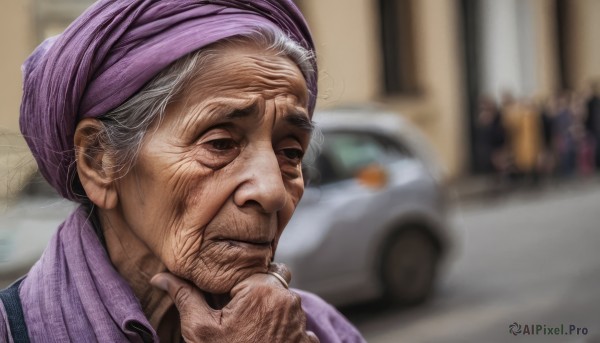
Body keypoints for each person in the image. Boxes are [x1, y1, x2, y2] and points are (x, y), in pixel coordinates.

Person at [0, 1, 366, 342]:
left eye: (290, 151)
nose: (272, 191)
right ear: (100, 160)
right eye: (220, 144)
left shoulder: (322, 329)